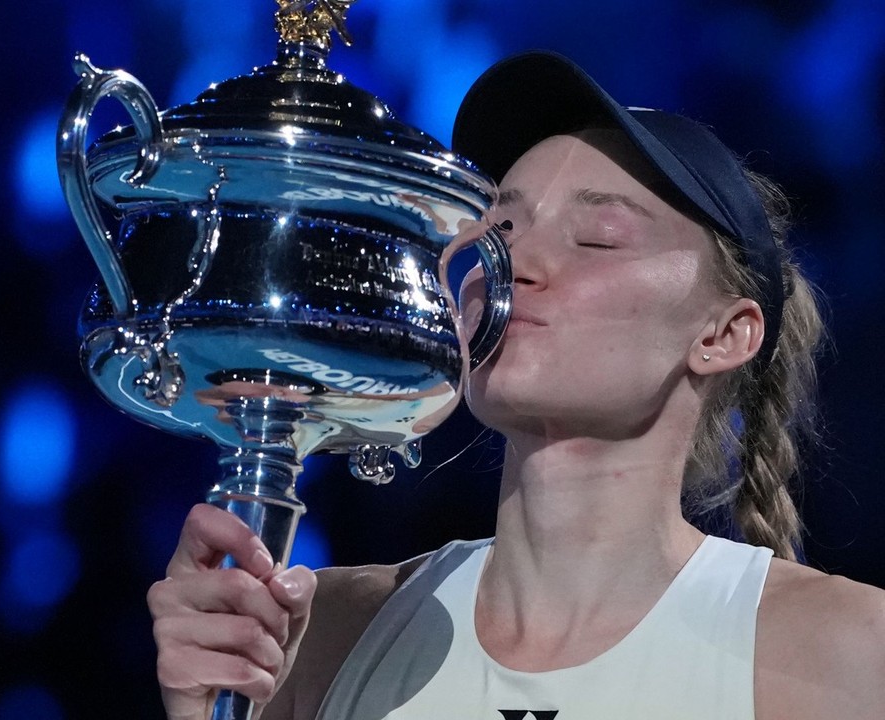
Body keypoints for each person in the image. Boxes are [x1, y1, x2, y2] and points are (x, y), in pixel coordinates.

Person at [146, 51, 885, 720]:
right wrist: (204, 710)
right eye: (496, 230)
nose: (512, 263)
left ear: (724, 336)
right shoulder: (323, 635)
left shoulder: (844, 652)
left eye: (597, 237)